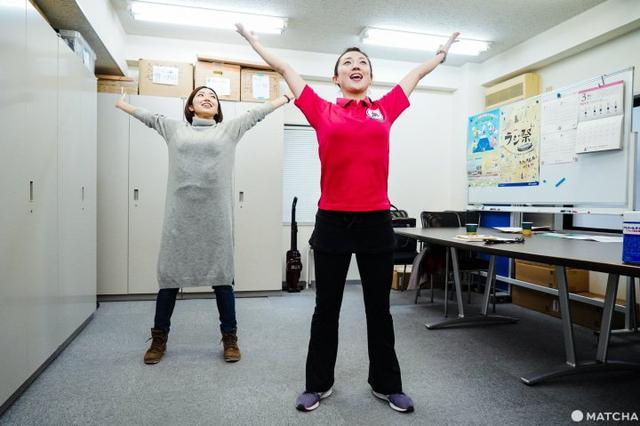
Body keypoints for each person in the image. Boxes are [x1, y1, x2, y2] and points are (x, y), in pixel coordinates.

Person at [236, 23, 459, 413]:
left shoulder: (384, 109)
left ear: (370, 76)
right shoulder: (321, 110)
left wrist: (440, 54)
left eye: (363, 63)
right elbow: (285, 69)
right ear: (335, 78)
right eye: (348, 63)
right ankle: (318, 384)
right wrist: (255, 43)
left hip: (376, 222)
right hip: (333, 223)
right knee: (326, 309)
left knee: (379, 310)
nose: (356, 66)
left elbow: (414, 75)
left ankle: (386, 384)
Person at [115, 85, 292, 364]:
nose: (208, 98)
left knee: (222, 278)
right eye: (201, 95)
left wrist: (286, 96)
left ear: (218, 108)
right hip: (179, 217)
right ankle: (159, 339)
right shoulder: (174, 129)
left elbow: (256, 114)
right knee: (169, 278)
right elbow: (149, 118)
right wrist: (123, 104)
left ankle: (230, 338)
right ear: (190, 106)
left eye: (213, 97)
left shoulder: (229, 130)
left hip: (216, 218)